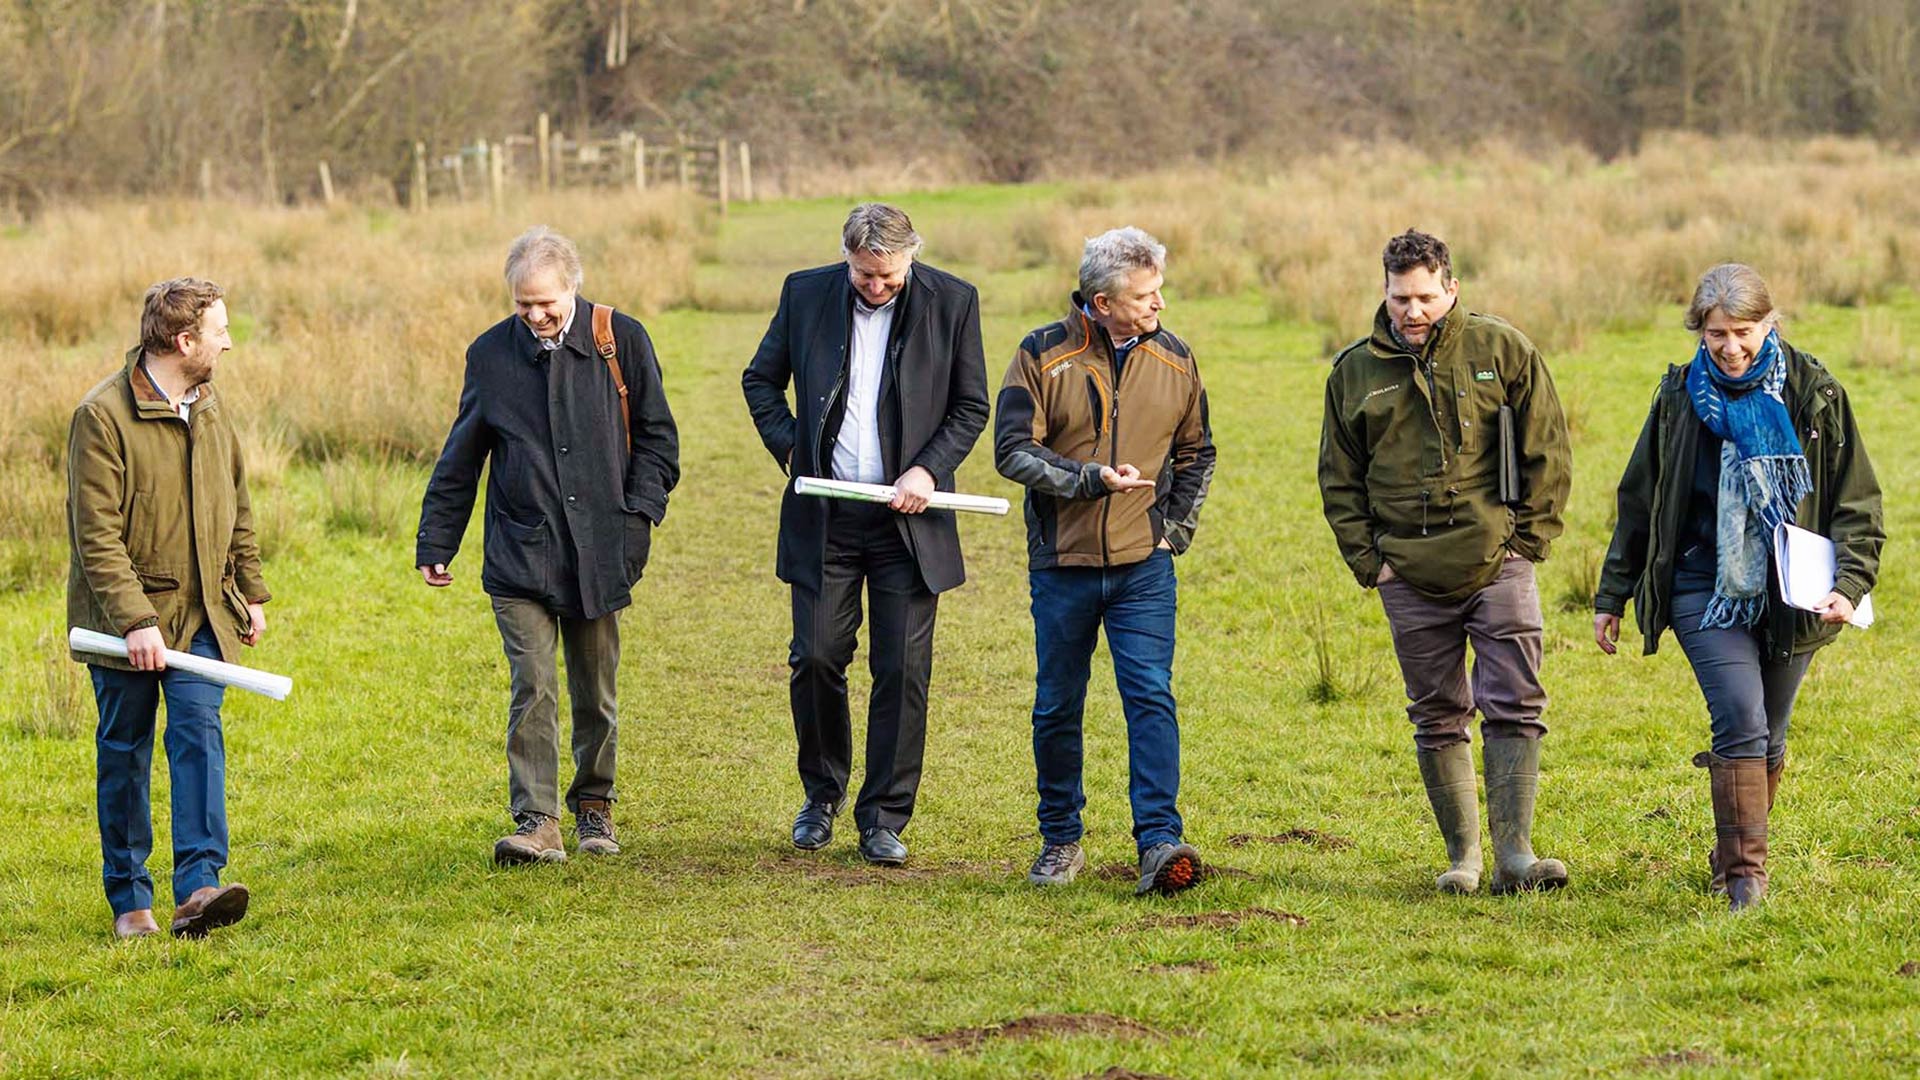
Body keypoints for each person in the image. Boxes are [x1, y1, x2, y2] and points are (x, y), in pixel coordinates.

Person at [1594, 263, 1882, 911]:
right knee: (1742, 720)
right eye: (1717, 334)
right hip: (1703, 582)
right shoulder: (1677, 398)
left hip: (1795, 588)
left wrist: (1851, 583)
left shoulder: (1816, 394)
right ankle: (1744, 882)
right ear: (1699, 331)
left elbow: (1858, 504)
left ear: (1770, 324)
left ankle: (1731, 853)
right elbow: (1638, 500)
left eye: (1744, 332)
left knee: (1770, 737)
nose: (1731, 348)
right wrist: (1612, 595)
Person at [1318, 229, 1572, 896]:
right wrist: (1371, 563)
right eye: (1402, 298)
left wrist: (1527, 544)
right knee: (1436, 713)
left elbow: (1548, 447)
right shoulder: (1353, 372)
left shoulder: (1502, 348)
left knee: (1516, 704)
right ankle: (1464, 858)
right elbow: (1338, 480)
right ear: (1385, 292)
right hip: (1406, 572)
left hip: (1500, 563)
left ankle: (1516, 855)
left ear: (1451, 289)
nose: (1414, 311)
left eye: (1427, 296)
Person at [417, 226, 679, 865]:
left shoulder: (623, 341)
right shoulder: (490, 355)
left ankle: (595, 807)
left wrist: (637, 518)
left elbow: (658, 442)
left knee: (595, 687)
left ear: (573, 286)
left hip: (601, 549)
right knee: (531, 683)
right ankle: (536, 821)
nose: (535, 316)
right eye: (522, 304)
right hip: (519, 552)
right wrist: (437, 537)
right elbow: (463, 453)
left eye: (546, 303)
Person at [741, 203, 989, 866]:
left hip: (909, 522)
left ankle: (884, 817)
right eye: (864, 275)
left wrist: (928, 469)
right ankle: (821, 797)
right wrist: (795, 451)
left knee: (902, 669)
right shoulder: (805, 293)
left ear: (910, 258)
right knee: (817, 655)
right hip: (826, 516)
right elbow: (760, 379)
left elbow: (972, 405)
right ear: (846, 258)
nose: (875, 286)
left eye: (887, 276)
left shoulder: (954, 302)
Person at [994, 227, 1216, 895]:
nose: (1160, 306)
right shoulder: (1040, 354)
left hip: (1143, 567)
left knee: (1149, 695)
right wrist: (1090, 480)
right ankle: (1060, 839)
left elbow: (1197, 454)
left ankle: (1159, 843)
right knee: (1057, 704)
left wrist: (1170, 534)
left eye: (1158, 292)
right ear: (1101, 301)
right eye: (1146, 296)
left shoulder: (1176, 358)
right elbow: (1012, 452)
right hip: (1061, 563)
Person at [67, 278, 269, 939]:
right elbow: (94, 535)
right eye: (219, 331)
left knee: (197, 736)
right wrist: (134, 620)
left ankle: (200, 888)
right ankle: (130, 902)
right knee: (124, 752)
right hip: (123, 626)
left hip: (204, 617)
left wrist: (250, 592)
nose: (228, 341)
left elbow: (235, 504)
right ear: (184, 341)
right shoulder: (100, 418)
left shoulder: (209, 407)